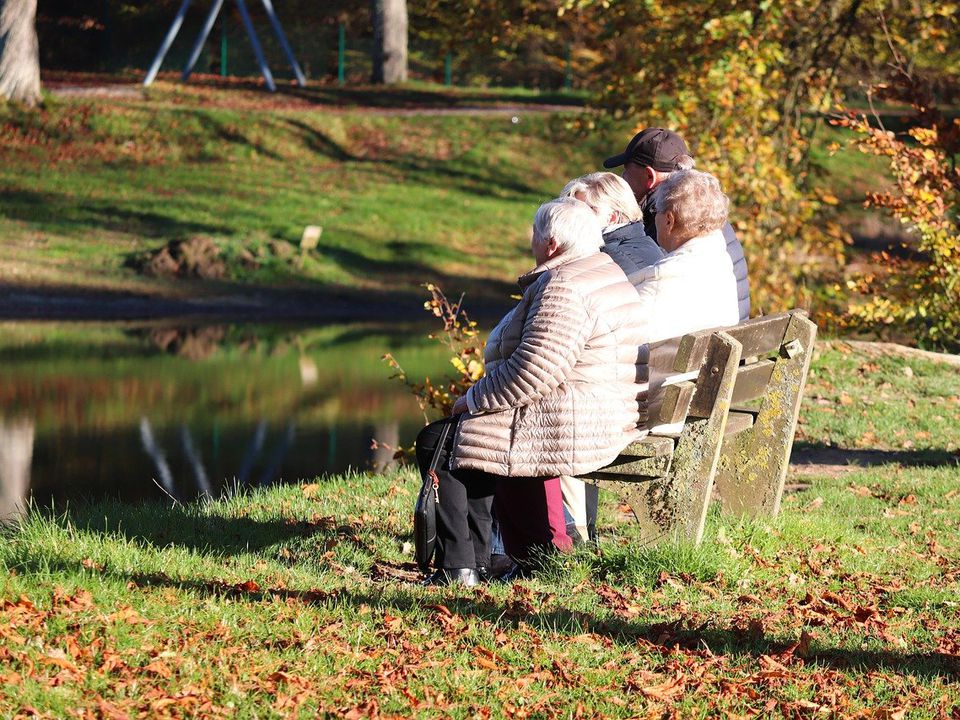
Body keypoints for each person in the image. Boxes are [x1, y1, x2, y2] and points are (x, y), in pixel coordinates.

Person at [415, 197, 649, 586]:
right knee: (470, 440)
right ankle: (479, 562)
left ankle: (461, 568)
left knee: (439, 442)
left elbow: (533, 370)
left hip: (574, 416)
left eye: (535, 235)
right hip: (595, 405)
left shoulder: (565, 287)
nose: (531, 242)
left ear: (551, 245)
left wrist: (472, 399)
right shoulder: (598, 270)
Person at [558, 172, 663, 544]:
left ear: (614, 216)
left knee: (556, 420)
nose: (572, 219)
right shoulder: (645, 250)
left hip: (636, 404)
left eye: (584, 211)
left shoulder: (607, 264)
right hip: (658, 393)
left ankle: (574, 538)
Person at [603, 128, 751, 322]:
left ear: (649, 176)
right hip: (730, 328)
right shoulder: (705, 207)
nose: (623, 178)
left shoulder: (665, 217)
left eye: (626, 172)